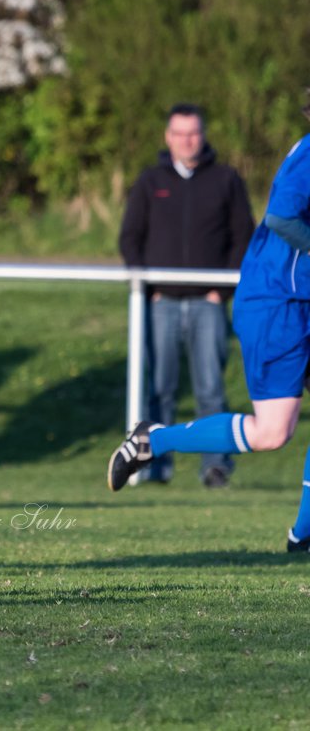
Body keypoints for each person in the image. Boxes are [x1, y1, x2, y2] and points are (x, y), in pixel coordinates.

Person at [109, 96, 310, 552]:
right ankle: (153, 441)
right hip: (278, 300)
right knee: (271, 433)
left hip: (301, 296)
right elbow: (281, 218)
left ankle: (303, 535)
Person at [117, 103, 254, 487]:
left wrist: (220, 290)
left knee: (210, 388)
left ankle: (215, 466)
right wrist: (151, 288)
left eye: (193, 133)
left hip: (208, 304)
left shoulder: (226, 179)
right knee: (161, 388)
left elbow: (243, 237)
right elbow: (130, 239)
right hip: (162, 304)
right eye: (179, 134)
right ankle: (156, 464)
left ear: (203, 135)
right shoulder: (149, 181)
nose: (186, 141)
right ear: (168, 137)